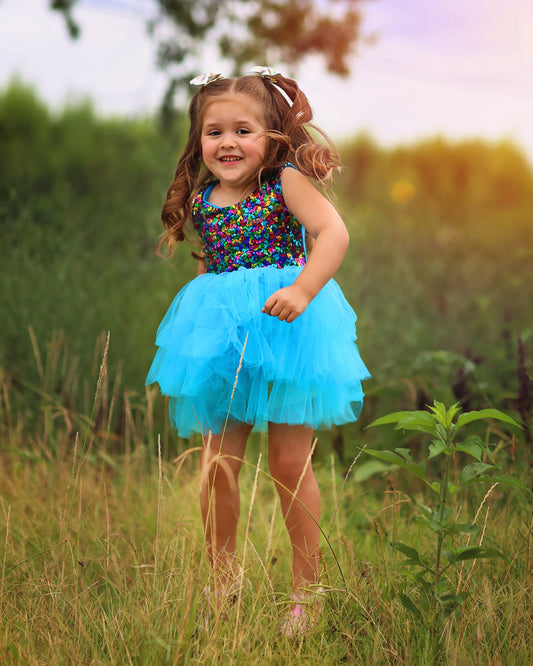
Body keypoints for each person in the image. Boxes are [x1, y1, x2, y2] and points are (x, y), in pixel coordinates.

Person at [146, 67, 370, 636]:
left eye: (242, 130)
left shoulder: (284, 181)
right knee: (217, 464)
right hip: (224, 342)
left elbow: (334, 232)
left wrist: (302, 289)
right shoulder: (203, 199)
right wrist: (204, 327)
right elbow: (214, 268)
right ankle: (223, 583)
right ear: (199, 140)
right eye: (214, 131)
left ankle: (307, 590)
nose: (227, 143)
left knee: (289, 462)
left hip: (289, 332)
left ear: (270, 136)